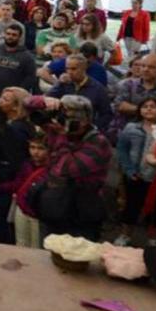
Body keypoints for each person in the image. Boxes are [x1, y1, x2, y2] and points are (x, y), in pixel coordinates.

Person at [24, 94, 111, 242]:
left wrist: (61, 137)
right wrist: (45, 101)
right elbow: (26, 103)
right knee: (48, 249)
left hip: (81, 212)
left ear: (85, 121)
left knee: (75, 256)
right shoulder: (58, 128)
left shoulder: (98, 142)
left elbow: (65, 170)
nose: (61, 122)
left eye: (69, 119)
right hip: (54, 204)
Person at [114, 97, 156, 246]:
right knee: (131, 207)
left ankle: (153, 238)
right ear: (140, 110)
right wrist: (129, 169)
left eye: (153, 106)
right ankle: (125, 235)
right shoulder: (131, 128)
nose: (149, 109)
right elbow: (122, 150)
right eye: (145, 106)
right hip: (136, 175)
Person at [0, 87, 33, 244]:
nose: (0, 101)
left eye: (5, 100)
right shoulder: (15, 125)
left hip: (9, 182)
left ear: (16, 107)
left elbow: (12, 160)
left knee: (3, 219)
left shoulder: (14, 129)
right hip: (13, 180)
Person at [45, 54, 113, 132]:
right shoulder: (64, 84)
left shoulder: (98, 89)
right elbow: (47, 98)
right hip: (61, 128)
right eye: (67, 69)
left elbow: (106, 114)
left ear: (84, 69)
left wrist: (94, 128)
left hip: (84, 131)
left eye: (73, 69)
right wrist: (58, 84)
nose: (69, 72)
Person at [8, 130, 49, 249]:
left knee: (36, 248)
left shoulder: (53, 169)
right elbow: (19, 183)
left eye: (40, 148)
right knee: (20, 244)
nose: (35, 152)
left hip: (38, 214)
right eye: (32, 147)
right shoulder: (27, 164)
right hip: (21, 209)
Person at [0, 21, 38, 94]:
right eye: (8, 34)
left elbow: (30, 78)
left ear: (19, 37)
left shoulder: (27, 57)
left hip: (11, 96)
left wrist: (17, 92)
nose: (10, 37)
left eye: (14, 35)